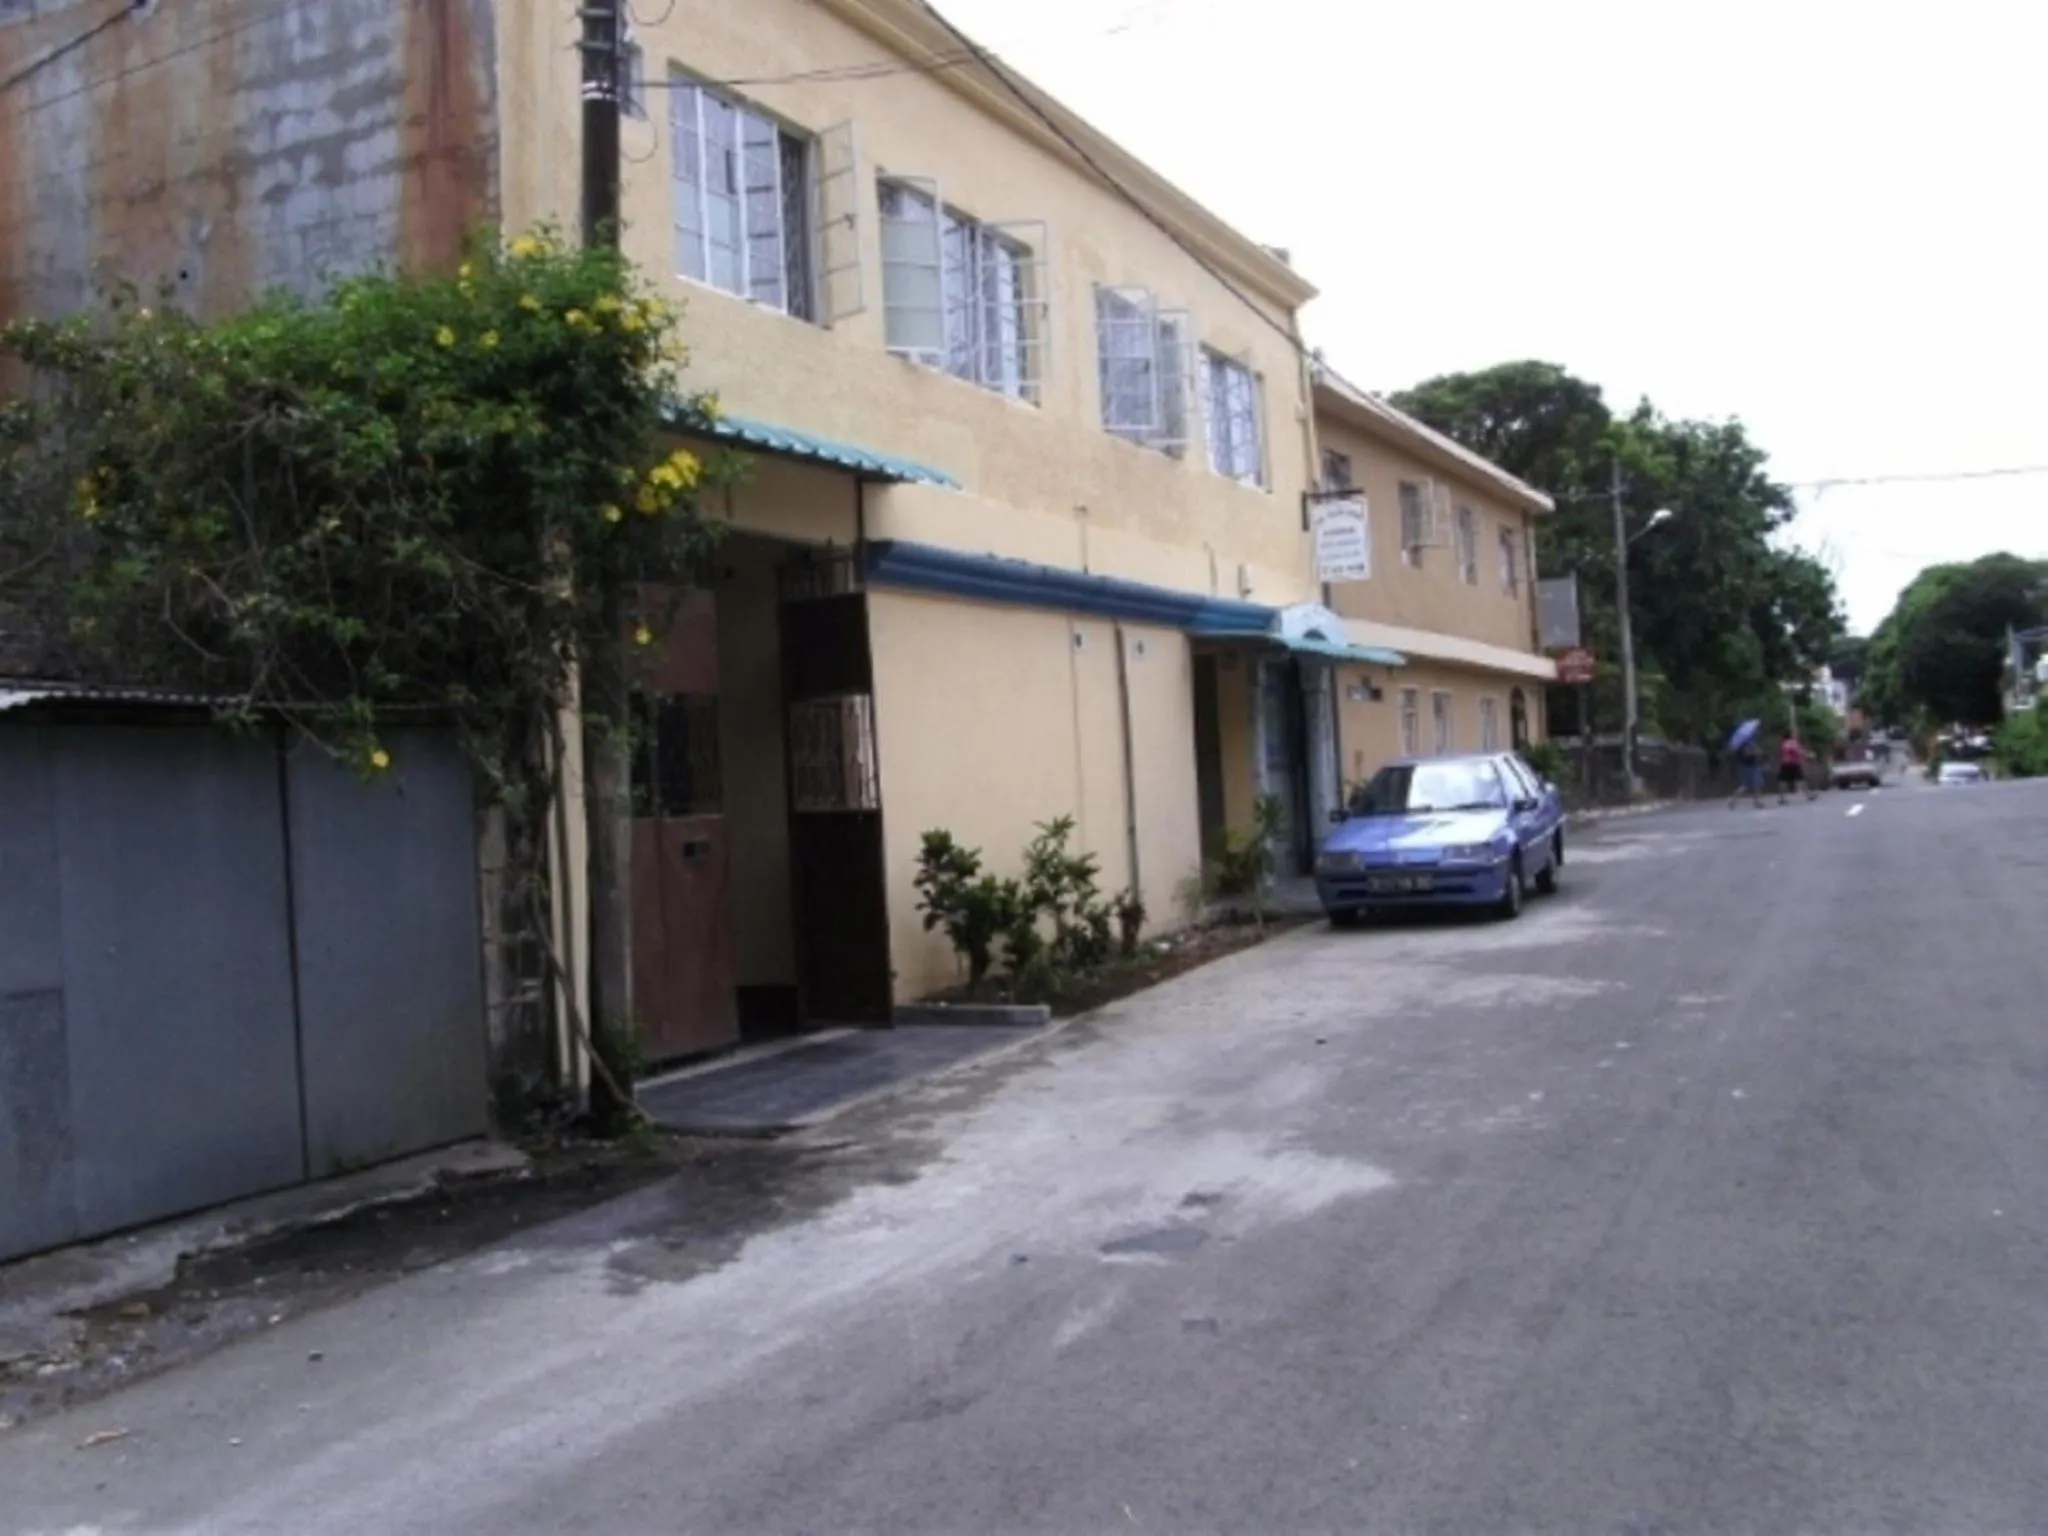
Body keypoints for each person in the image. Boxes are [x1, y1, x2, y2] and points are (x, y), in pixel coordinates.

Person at [1777, 732, 1815, 804]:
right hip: (1793, 764)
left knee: (1783, 781)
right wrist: (1808, 754)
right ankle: (1809, 795)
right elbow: (1799, 751)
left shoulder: (1783, 743)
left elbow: (1782, 754)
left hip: (1785, 764)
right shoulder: (1793, 742)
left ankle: (1782, 798)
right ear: (1790, 736)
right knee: (1801, 779)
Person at [1730, 734, 1765, 808]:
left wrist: (1757, 750)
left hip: (1750, 766)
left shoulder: (1748, 743)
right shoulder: (1746, 744)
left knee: (1755, 785)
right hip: (1749, 767)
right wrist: (1756, 752)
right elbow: (1747, 753)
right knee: (1746, 785)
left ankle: (1756, 802)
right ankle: (1733, 800)